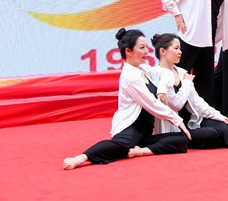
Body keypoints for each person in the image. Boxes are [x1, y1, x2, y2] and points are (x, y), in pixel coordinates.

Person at [63, 29, 191, 170]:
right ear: (128, 51)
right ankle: (81, 158)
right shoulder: (130, 77)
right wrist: (178, 121)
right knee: (121, 145)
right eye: (142, 48)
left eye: (146, 47)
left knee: (181, 139)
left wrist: (161, 89)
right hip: (131, 128)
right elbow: (152, 104)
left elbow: (166, 73)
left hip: (145, 132)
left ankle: (141, 151)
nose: (147, 51)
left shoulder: (144, 69)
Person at [160, 0, 224, 103]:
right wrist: (177, 15)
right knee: (181, 75)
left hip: (208, 36)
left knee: (206, 80)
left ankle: (203, 115)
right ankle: (177, 112)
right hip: (191, 34)